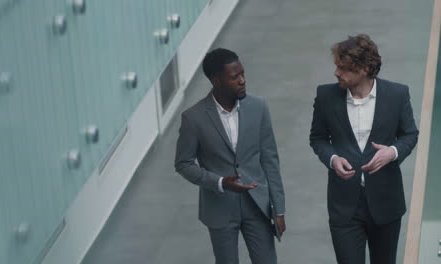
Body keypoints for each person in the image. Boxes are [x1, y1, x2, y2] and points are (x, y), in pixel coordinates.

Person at [309, 34, 419, 264]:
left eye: (344, 67)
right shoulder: (326, 96)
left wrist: (393, 152)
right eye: (337, 66)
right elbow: (318, 138)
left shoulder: (397, 94)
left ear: (366, 68)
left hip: (386, 203)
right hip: (344, 206)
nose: (336, 73)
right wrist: (332, 158)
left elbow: (409, 134)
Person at [175, 48, 286, 264]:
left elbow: (270, 160)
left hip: (257, 204)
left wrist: (279, 208)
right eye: (235, 77)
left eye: (243, 74)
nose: (243, 80)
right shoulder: (193, 118)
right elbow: (183, 163)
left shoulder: (258, 107)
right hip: (220, 208)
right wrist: (219, 182)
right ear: (216, 80)